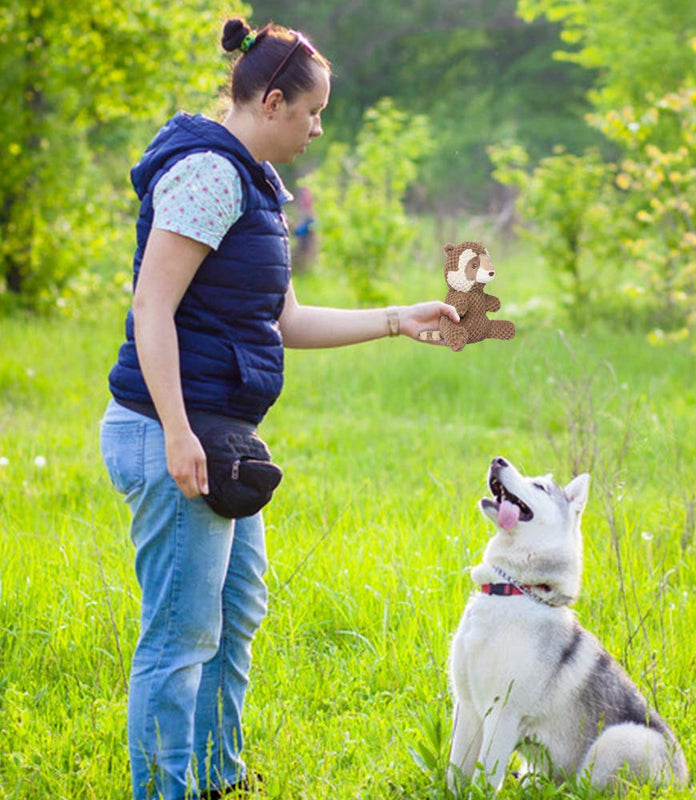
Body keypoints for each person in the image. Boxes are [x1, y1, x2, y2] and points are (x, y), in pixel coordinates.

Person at [99, 16, 458, 800]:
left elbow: (283, 320)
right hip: (174, 433)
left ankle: (218, 780)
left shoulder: (255, 183)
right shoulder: (207, 174)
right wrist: (179, 433)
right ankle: (165, 790)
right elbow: (150, 309)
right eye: (312, 112)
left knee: (235, 616)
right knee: (181, 635)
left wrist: (399, 318)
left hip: (218, 436)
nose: (318, 128)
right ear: (271, 101)